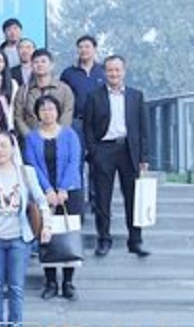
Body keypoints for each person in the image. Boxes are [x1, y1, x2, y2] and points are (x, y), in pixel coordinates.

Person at [0, 130, 52, 327]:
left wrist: (47, 225)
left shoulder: (26, 172)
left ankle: (16, 324)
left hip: (19, 238)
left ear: (12, 148)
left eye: (4, 145)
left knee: (16, 287)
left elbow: (41, 201)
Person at [84, 55, 150, 257]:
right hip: (103, 150)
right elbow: (87, 126)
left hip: (129, 150)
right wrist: (93, 151)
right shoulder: (94, 96)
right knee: (102, 199)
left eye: (117, 70)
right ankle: (104, 240)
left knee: (133, 198)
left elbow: (143, 129)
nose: (114, 74)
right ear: (104, 72)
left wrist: (144, 158)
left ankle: (135, 241)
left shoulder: (136, 96)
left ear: (124, 71)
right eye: (110, 70)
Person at [23, 95, 83, 300]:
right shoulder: (31, 138)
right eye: (43, 109)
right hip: (43, 193)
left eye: (51, 109)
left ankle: (68, 282)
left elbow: (74, 162)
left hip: (70, 192)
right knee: (46, 234)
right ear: (37, 114)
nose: (47, 113)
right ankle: (50, 282)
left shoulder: (70, 134)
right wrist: (47, 190)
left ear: (57, 112)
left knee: (68, 234)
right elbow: (32, 165)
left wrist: (63, 188)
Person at [60, 34, 106, 209]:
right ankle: (77, 204)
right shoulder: (68, 73)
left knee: (98, 163)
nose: (84, 50)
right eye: (80, 47)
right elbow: (63, 98)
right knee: (75, 163)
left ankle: (97, 202)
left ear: (94, 49)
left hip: (99, 123)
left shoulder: (102, 71)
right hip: (76, 122)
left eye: (87, 46)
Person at [14, 48, 75, 140]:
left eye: (43, 61)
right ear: (31, 66)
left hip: (58, 140)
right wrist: (30, 136)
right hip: (31, 140)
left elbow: (67, 114)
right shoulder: (23, 90)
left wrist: (57, 136)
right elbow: (18, 117)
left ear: (51, 65)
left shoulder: (64, 90)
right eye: (36, 62)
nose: (40, 65)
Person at [0, 49, 19, 131]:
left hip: (7, 123)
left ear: (5, 64)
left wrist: (10, 125)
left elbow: (13, 105)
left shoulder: (12, 83)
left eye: (0, 61)